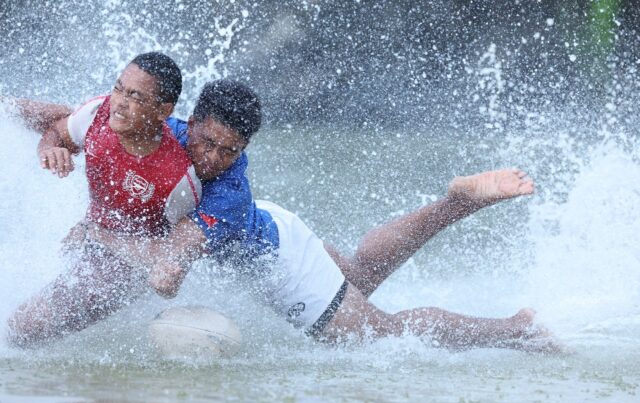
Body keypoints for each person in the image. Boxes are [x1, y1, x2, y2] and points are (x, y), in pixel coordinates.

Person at [8, 78, 556, 352]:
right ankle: (459, 201)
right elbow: (72, 118)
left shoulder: (226, 194)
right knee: (361, 274)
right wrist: (16, 113)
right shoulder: (160, 127)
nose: (215, 159)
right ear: (188, 120)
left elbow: (167, 274)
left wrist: (103, 233)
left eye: (231, 151)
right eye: (209, 143)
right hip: (275, 226)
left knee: (380, 333)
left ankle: (514, 330)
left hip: (276, 261)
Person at [7, 52, 202, 346]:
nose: (119, 102)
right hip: (89, 236)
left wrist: (166, 274)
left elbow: (177, 250)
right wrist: (49, 150)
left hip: (124, 267)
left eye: (135, 96)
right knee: (17, 111)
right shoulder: (98, 113)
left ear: (163, 111)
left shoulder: (178, 179)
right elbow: (55, 133)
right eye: (118, 88)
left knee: (22, 329)